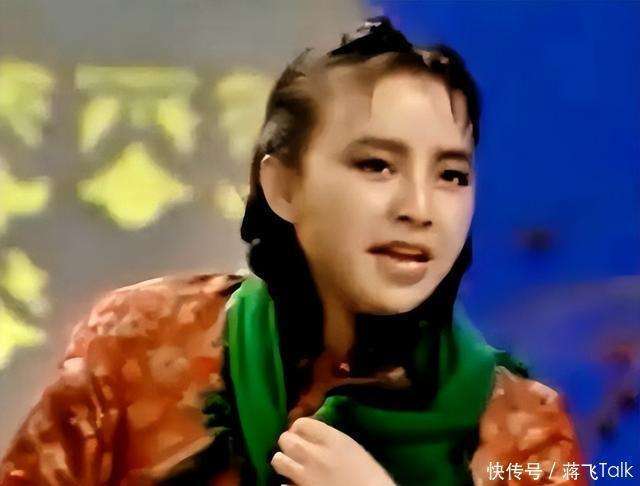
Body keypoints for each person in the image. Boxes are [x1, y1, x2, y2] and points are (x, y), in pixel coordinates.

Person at [0, 17, 586, 486]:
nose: (420, 208)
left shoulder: (523, 432)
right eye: (376, 165)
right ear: (283, 186)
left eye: (451, 175)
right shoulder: (144, 343)